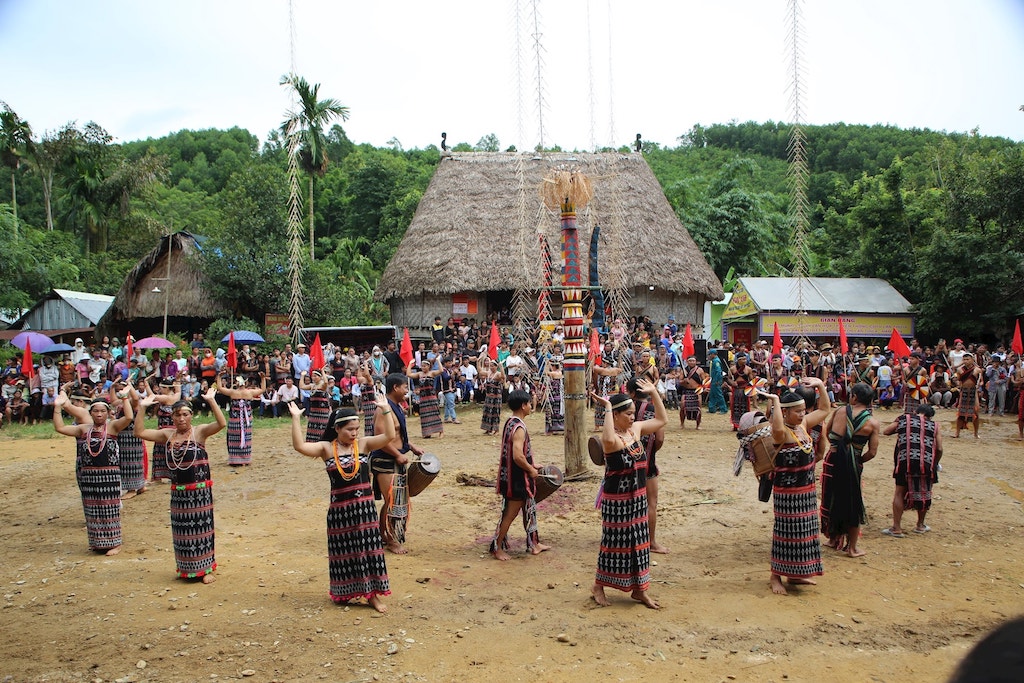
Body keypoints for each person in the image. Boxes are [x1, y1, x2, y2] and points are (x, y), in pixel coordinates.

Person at [287, 395, 396, 612]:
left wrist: (385, 410)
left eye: (356, 429)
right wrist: (296, 418)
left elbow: (389, 436)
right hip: (340, 512)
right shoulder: (326, 448)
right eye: (349, 429)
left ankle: (372, 595)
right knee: (343, 554)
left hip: (364, 510)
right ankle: (344, 592)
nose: (354, 433)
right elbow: (299, 446)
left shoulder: (363, 444)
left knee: (368, 550)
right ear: (337, 429)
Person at [589, 378, 667, 609]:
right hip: (617, 502)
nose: (633, 417)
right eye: (628, 414)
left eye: (634, 413)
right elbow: (607, 438)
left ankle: (639, 590)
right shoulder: (612, 440)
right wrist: (607, 408)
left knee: (640, 544)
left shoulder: (636, 430)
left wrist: (654, 393)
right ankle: (598, 586)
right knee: (613, 545)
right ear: (616, 415)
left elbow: (662, 420)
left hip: (638, 498)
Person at [135, 387, 225, 583]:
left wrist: (211, 400)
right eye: (177, 415)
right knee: (182, 533)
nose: (181, 418)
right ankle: (186, 569)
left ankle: (205, 569)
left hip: (200, 493)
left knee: (202, 531)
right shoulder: (167, 435)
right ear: (172, 417)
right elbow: (139, 432)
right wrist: (142, 407)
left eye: (185, 414)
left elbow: (221, 423)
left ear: (191, 415)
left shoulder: (199, 432)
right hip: (179, 494)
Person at [762, 377, 831, 595]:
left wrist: (820, 385)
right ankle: (775, 576)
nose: (802, 414)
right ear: (786, 412)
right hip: (787, 494)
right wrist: (775, 401)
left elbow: (824, 409)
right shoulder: (780, 432)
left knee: (805, 533)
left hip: (807, 490)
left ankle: (795, 574)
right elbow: (777, 424)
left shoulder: (803, 426)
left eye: (803, 410)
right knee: (785, 534)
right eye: (797, 411)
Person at [52, 392, 134, 555]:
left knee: (109, 508)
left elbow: (129, 417)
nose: (99, 414)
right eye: (95, 411)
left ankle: (115, 543)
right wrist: (57, 407)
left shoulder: (113, 427)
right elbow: (60, 428)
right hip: (89, 476)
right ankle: (97, 542)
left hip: (109, 475)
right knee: (92, 509)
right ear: (90, 413)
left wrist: (125, 398)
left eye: (102, 411)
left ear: (108, 412)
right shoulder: (83, 429)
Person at [489, 390, 551, 560]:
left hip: (513, 476)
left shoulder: (510, 422)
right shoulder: (519, 428)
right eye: (529, 403)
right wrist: (530, 469)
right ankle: (497, 548)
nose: (531, 406)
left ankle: (534, 544)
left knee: (528, 509)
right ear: (523, 406)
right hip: (517, 480)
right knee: (510, 514)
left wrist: (532, 464)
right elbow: (517, 456)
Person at [819, 382, 879, 557]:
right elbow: (872, 452)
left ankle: (832, 539)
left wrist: (838, 449)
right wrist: (856, 459)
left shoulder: (840, 411)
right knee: (852, 502)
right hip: (853, 465)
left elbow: (827, 432)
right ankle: (852, 548)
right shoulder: (872, 423)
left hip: (832, 460)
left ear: (854, 397)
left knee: (830, 497)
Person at [370, 373, 425, 555]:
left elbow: (397, 435)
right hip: (385, 460)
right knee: (392, 501)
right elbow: (380, 439)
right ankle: (392, 540)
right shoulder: (383, 409)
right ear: (395, 388)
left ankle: (384, 536)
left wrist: (411, 447)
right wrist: (397, 454)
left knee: (393, 500)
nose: (407, 391)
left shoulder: (397, 407)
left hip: (395, 458)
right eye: (404, 387)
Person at [881, 404, 943, 537]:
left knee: (899, 492)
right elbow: (939, 449)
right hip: (926, 462)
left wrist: (902, 426)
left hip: (905, 460)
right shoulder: (935, 426)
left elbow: (886, 431)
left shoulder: (904, 419)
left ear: (915, 411)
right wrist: (935, 463)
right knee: (925, 492)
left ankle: (897, 528)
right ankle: (920, 525)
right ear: (930, 417)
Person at [216, 373, 265, 466]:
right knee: (246, 437)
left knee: (234, 438)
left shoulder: (233, 392)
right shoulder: (250, 392)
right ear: (245, 383)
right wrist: (263, 379)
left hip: (235, 419)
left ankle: (235, 459)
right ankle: (245, 458)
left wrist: (219, 377)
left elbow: (220, 388)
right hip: (246, 419)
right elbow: (263, 389)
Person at [147, 376, 180, 481]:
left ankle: (160, 476)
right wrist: (177, 379)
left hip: (165, 430)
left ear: (167, 388)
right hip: (171, 429)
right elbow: (178, 389)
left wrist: (146, 384)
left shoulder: (167, 398)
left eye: (161, 388)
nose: (159, 389)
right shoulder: (176, 396)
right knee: (170, 452)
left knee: (162, 452)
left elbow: (152, 396)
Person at [407, 360, 444, 438]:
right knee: (425, 416)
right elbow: (409, 374)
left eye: (425, 366)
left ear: (429, 366)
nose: (423, 367)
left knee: (435, 414)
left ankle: (441, 431)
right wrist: (410, 364)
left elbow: (441, 370)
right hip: (423, 398)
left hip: (431, 397)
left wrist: (438, 361)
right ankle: (427, 432)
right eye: (422, 366)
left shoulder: (432, 373)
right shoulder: (419, 374)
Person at [954, 353, 982, 438]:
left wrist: (979, 384)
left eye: (967, 359)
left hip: (973, 392)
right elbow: (957, 380)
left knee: (976, 412)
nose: (966, 361)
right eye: (964, 359)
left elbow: (981, 381)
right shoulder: (960, 370)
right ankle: (957, 433)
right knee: (960, 413)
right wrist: (957, 383)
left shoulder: (977, 370)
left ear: (972, 360)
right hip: (964, 391)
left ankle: (976, 433)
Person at [299, 368, 332, 442]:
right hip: (313, 411)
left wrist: (323, 372)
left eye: (315, 376)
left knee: (322, 428)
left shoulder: (322, 385)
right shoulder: (312, 386)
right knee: (313, 427)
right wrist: (302, 376)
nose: (313, 378)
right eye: (312, 376)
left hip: (322, 412)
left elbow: (326, 382)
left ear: (320, 377)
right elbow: (301, 386)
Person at [478, 356, 505, 436]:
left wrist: (501, 367)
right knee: (487, 412)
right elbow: (480, 372)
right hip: (489, 396)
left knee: (495, 413)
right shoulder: (488, 373)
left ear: (496, 367)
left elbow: (503, 377)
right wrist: (478, 362)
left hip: (496, 397)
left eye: (493, 366)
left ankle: (496, 430)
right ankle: (488, 428)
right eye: (490, 366)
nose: (491, 367)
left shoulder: (498, 374)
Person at [678, 355, 705, 430]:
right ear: (687, 362)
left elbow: (704, 381)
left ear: (696, 362)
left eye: (693, 361)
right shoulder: (684, 370)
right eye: (690, 361)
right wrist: (684, 381)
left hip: (697, 390)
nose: (692, 362)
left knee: (698, 407)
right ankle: (682, 423)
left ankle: (698, 425)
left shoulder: (700, 370)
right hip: (686, 390)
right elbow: (679, 381)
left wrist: (704, 389)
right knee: (682, 406)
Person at [543, 358, 565, 435]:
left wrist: (547, 364)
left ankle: (551, 429)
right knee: (555, 411)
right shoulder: (559, 372)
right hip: (556, 395)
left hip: (554, 395)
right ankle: (555, 428)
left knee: (551, 411)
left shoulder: (555, 373)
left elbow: (545, 373)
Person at [706, 349, 728, 414]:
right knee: (712, 394)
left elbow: (718, 371)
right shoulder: (713, 361)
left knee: (718, 395)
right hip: (713, 379)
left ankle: (723, 409)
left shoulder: (716, 361)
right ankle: (712, 408)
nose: (709, 356)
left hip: (716, 380)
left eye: (709, 354)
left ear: (713, 354)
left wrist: (717, 380)